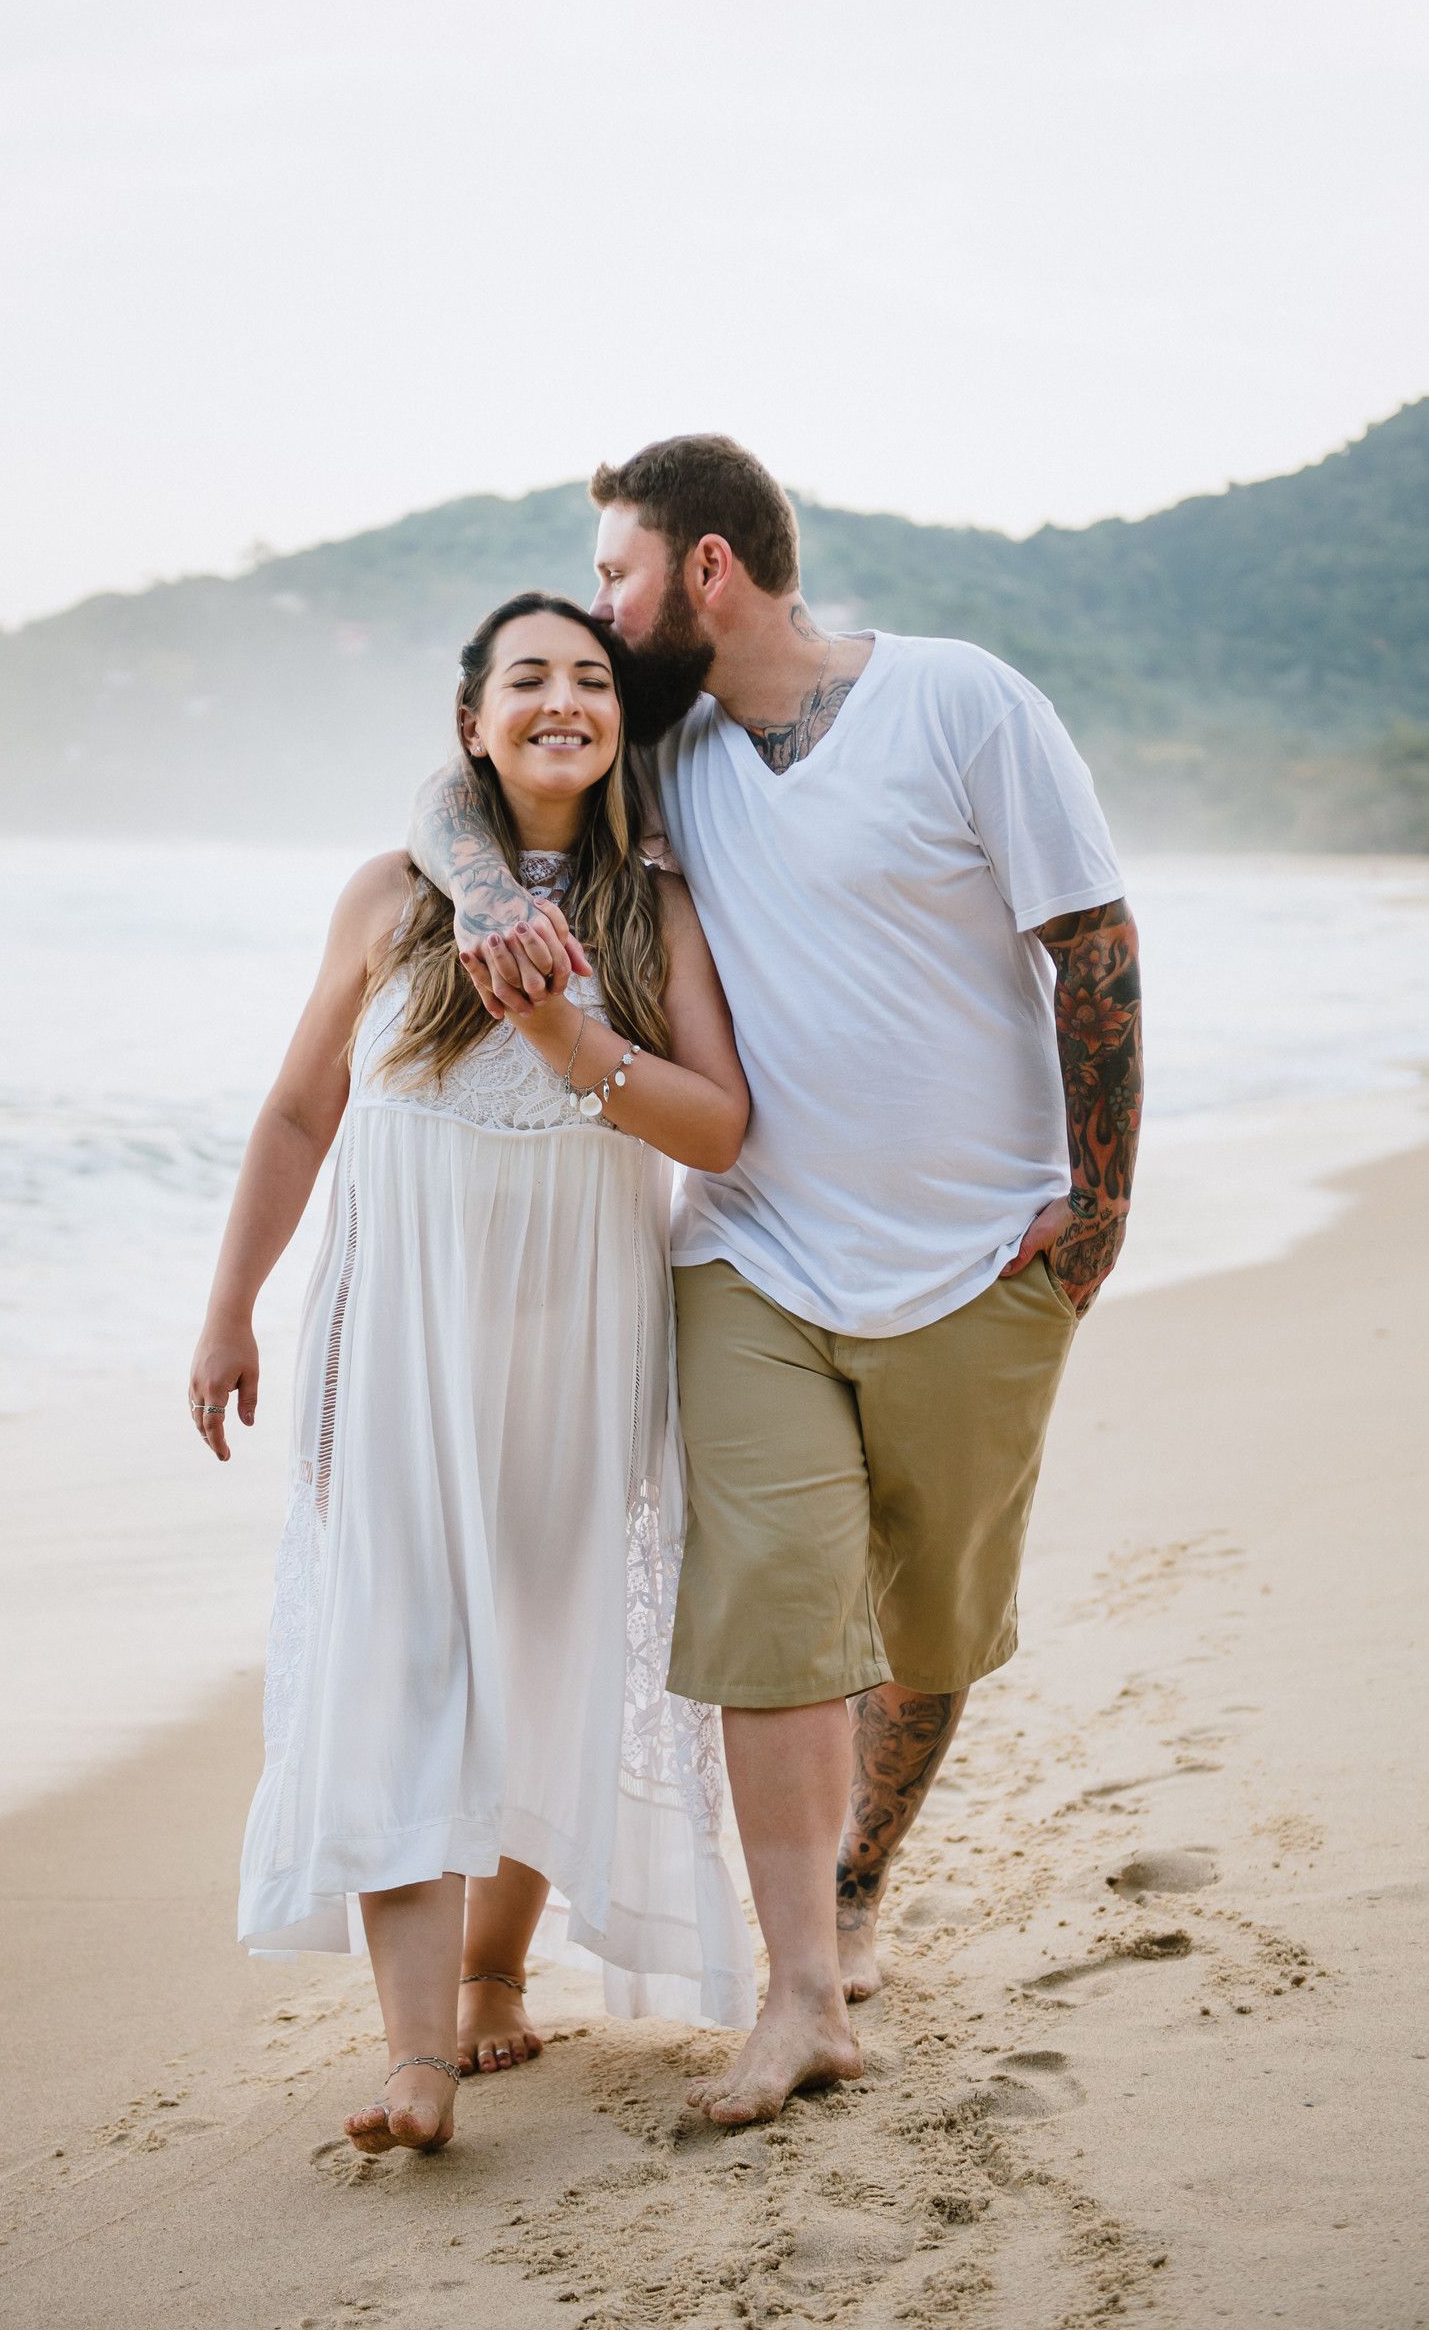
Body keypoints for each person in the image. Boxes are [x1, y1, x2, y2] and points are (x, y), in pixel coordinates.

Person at [411, 435, 1143, 2128]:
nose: (600, 610)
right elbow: (455, 785)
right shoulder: (663, 755)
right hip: (746, 1254)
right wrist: (477, 890)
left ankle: (859, 1882)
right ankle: (799, 1989)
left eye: (616, 574)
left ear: (708, 568)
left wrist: (1099, 1201)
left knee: (933, 1622)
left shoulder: (960, 700)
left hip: (980, 1249)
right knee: (772, 1613)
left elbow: (1091, 941)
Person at [189, 592, 756, 2157]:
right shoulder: (393, 895)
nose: (562, 699)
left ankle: (497, 1966)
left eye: (590, 679)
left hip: (579, 1336)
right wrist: (231, 1309)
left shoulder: (653, 913)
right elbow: (297, 1114)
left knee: (549, 1646)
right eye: (528, 678)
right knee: (397, 1651)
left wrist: (574, 1042)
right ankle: (414, 2053)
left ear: (619, 725)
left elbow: (718, 1128)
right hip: (396, 1335)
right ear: (472, 723)